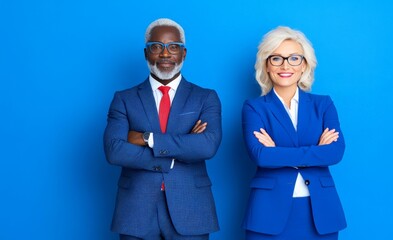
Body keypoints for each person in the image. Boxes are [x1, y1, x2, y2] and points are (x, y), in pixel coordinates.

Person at [103, 18, 222, 240]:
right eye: (156, 46)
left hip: (191, 209)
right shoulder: (124, 99)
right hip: (136, 210)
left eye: (173, 47)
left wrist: (148, 138)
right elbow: (114, 151)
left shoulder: (205, 98)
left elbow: (206, 147)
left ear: (183, 53)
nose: (165, 54)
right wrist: (182, 147)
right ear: (146, 53)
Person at [241, 26, 347, 240]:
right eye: (276, 58)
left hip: (320, 213)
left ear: (304, 65)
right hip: (268, 214)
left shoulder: (323, 104)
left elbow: (335, 152)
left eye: (294, 58)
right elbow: (261, 156)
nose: (285, 65)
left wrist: (278, 152)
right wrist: (316, 151)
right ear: (266, 65)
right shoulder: (254, 108)